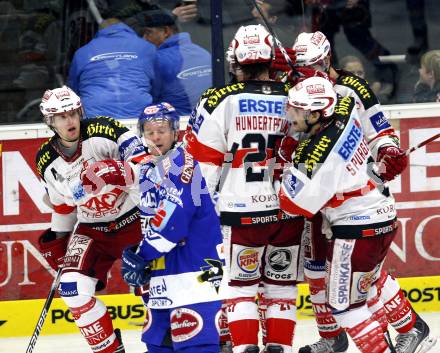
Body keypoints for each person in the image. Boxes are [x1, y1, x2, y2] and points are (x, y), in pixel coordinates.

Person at [279, 76, 436, 353]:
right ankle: (412, 328)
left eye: (297, 109)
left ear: (316, 114)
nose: (290, 114)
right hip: (382, 214)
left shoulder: (315, 155)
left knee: (344, 307)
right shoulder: (345, 106)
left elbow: (292, 204)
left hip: (355, 230)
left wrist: (289, 161)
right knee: (372, 283)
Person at [186, 24, 305, 353]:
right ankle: (279, 347)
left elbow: (203, 165)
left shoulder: (218, 99)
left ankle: (244, 349)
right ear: (271, 60)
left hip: (242, 212)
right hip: (289, 209)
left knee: (240, 286)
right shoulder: (295, 97)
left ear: (235, 62)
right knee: (281, 287)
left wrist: (197, 211)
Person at [35, 85, 148, 353]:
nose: (69, 120)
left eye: (73, 113)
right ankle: (110, 350)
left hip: (134, 219)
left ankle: (161, 345)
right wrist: (59, 241)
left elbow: (146, 171)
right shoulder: (46, 160)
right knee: (72, 288)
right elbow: (63, 207)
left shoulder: (105, 130)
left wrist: (118, 171)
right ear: (50, 121)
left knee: (154, 286)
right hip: (92, 228)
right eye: (61, 117)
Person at [120, 102, 225, 353]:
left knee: (196, 346)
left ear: (176, 132)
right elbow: (151, 219)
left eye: (162, 130)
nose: (156, 136)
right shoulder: (147, 168)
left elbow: (172, 222)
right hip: (163, 274)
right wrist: (141, 254)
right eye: (150, 131)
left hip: (195, 274)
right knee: (158, 345)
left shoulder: (183, 163)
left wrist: (141, 255)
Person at [308, 0, 398, 102]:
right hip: (322, 4)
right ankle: (331, 81)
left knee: (359, 37)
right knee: (322, 42)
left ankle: (386, 71)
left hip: (349, 4)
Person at [68, 18, 156, 119]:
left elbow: (73, 89)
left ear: (100, 31)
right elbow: (158, 85)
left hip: (94, 116)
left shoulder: (83, 52)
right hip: (138, 114)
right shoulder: (148, 48)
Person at [135, 7, 212, 116]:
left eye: (148, 32)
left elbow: (148, 97)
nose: (144, 38)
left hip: (175, 123)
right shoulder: (204, 53)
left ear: (166, 31)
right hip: (205, 119)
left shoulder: (157, 59)